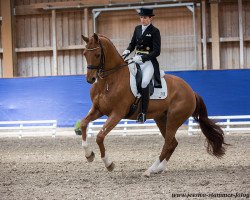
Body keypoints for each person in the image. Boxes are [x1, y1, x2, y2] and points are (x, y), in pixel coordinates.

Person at [122, 7, 162, 123]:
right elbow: (132, 44)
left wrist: (143, 57)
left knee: (144, 82)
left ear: (150, 18)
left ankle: (143, 113)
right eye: (141, 17)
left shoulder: (155, 31)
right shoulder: (137, 29)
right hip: (135, 59)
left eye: (145, 17)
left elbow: (157, 52)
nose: (142, 20)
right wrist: (127, 51)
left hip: (148, 62)